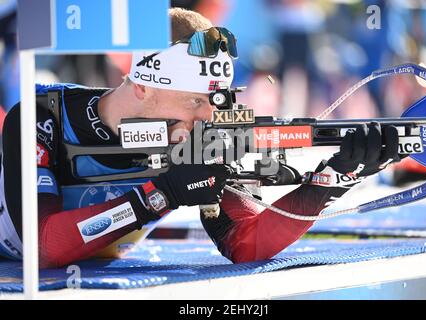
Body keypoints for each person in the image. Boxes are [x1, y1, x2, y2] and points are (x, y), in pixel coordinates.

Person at [0, 8, 402, 267]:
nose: (208, 116)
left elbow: (245, 244)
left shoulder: (196, 133)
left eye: (214, 101)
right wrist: (161, 195)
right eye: (194, 100)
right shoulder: (42, 118)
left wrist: (331, 180)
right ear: (142, 87)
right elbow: (43, 246)